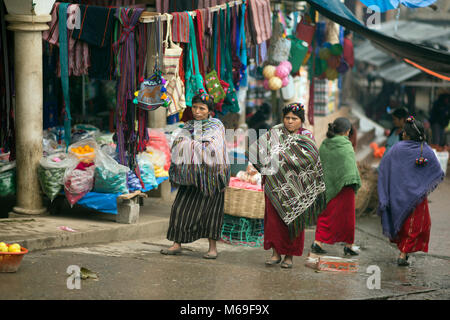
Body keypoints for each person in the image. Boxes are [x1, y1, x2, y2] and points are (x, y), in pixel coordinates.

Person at [249, 103, 326, 269]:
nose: (290, 121)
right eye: (287, 118)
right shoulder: (275, 132)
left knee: (292, 223)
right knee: (274, 223)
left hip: (296, 189)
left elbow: (311, 158)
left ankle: (289, 256)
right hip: (275, 186)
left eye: (294, 118)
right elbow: (257, 150)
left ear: (301, 120)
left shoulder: (307, 137)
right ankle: (275, 253)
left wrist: (281, 156)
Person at [161, 93, 230, 259]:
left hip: (212, 178)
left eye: (202, 108)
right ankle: (177, 244)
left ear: (209, 111)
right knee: (180, 209)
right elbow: (178, 145)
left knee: (211, 214)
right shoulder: (189, 125)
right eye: (195, 107)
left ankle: (212, 248)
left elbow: (213, 147)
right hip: (191, 178)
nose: (197, 111)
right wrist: (195, 146)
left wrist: (189, 145)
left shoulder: (216, 126)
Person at [378, 116, 444, 266]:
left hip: (398, 196)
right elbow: (436, 171)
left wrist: (389, 188)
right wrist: (421, 185)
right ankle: (403, 254)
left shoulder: (397, 149)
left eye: (404, 132)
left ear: (406, 135)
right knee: (415, 227)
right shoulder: (426, 151)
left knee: (402, 225)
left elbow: (384, 168)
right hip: (417, 199)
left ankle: (403, 252)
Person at [311, 117, 362, 256]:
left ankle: (317, 242)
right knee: (347, 217)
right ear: (347, 132)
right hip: (346, 187)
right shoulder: (346, 146)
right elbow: (350, 168)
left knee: (326, 213)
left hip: (328, 185)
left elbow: (321, 165)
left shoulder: (325, 144)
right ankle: (349, 245)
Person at [341, 29, 354, 106]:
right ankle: (343, 100)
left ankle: (344, 99)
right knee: (345, 84)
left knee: (345, 83)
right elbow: (347, 55)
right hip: (347, 66)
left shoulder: (345, 41)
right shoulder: (348, 43)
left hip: (345, 65)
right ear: (349, 34)